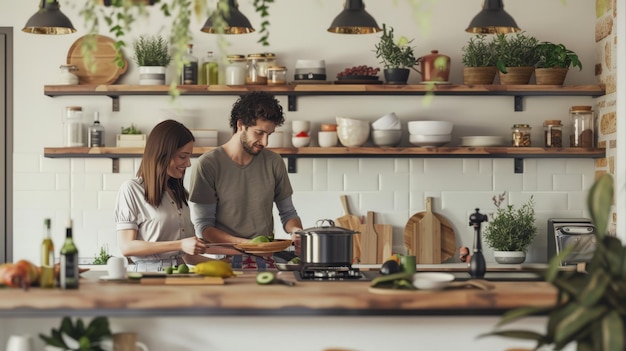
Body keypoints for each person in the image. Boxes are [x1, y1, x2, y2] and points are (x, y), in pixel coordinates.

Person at [188, 92, 303, 269]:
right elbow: (204, 227)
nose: (265, 142)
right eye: (259, 133)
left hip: (264, 259)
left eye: (269, 134)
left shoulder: (274, 162)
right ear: (240, 124)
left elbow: (288, 213)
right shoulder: (208, 164)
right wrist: (248, 246)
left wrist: (296, 231)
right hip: (222, 260)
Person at [114, 119, 230, 272]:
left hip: (180, 273)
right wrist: (180, 244)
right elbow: (126, 247)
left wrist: (223, 264)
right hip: (148, 277)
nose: (188, 163)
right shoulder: (132, 190)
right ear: (162, 154)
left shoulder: (178, 194)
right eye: (183, 156)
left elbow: (187, 256)